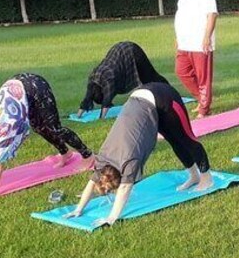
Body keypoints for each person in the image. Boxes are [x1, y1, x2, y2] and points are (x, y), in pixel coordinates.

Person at [66, 82, 212, 227]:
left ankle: (206, 178)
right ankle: (194, 176)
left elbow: (124, 189)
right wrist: (78, 209)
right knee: (174, 140)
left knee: (186, 138)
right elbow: (92, 183)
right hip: (143, 102)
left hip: (163, 96)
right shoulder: (102, 160)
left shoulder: (129, 161)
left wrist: (110, 218)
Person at [0, 73, 93, 200]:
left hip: (35, 86)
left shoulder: (3, 134)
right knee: (39, 127)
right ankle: (65, 153)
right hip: (19, 90)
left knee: (54, 127)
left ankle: (88, 156)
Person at [77, 41, 169, 120]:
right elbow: (86, 99)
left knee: (149, 78)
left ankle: (168, 89)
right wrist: (78, 116)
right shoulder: (93, 79)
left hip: (132, 51)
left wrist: (101, 118)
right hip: (120, 51)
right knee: (148, 81)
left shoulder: (109, 78)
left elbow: (106, 102)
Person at [174, 0, 218, 118]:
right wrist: (178, 38)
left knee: (203, 77)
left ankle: (204, 110)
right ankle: (201, 99)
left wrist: (207, 37)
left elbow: (212, 15)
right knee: (181, 71)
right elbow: (181, 16)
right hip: (185, 42)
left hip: (200, 43)